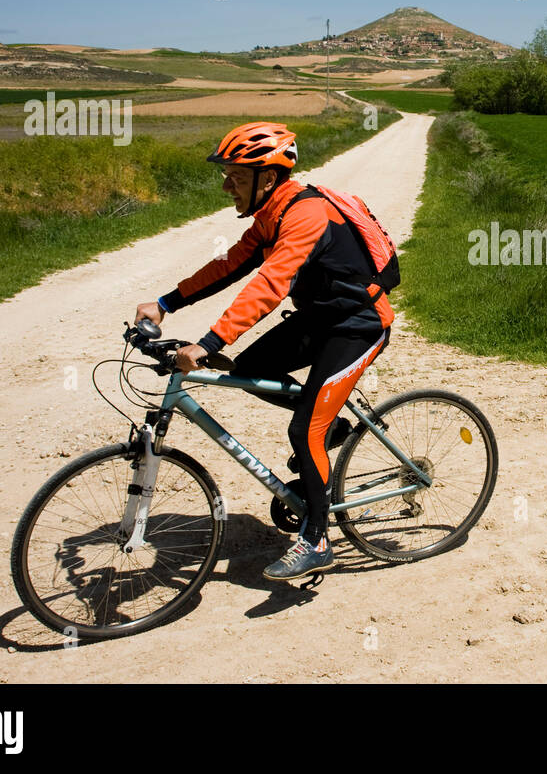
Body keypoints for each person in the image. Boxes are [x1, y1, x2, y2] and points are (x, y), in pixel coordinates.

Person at [133, 121, 394, 580]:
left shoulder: (305, 215)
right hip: (320, 321)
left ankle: (316, 539)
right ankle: (331, 425)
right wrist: (165, 304)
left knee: (304, 431)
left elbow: (271, 285)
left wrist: (210, 342)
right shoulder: (270, 215)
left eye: (234, 175)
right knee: (250, 367)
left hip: (358, 326)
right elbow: (230, 265)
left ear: (267, 178)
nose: (225, 184)